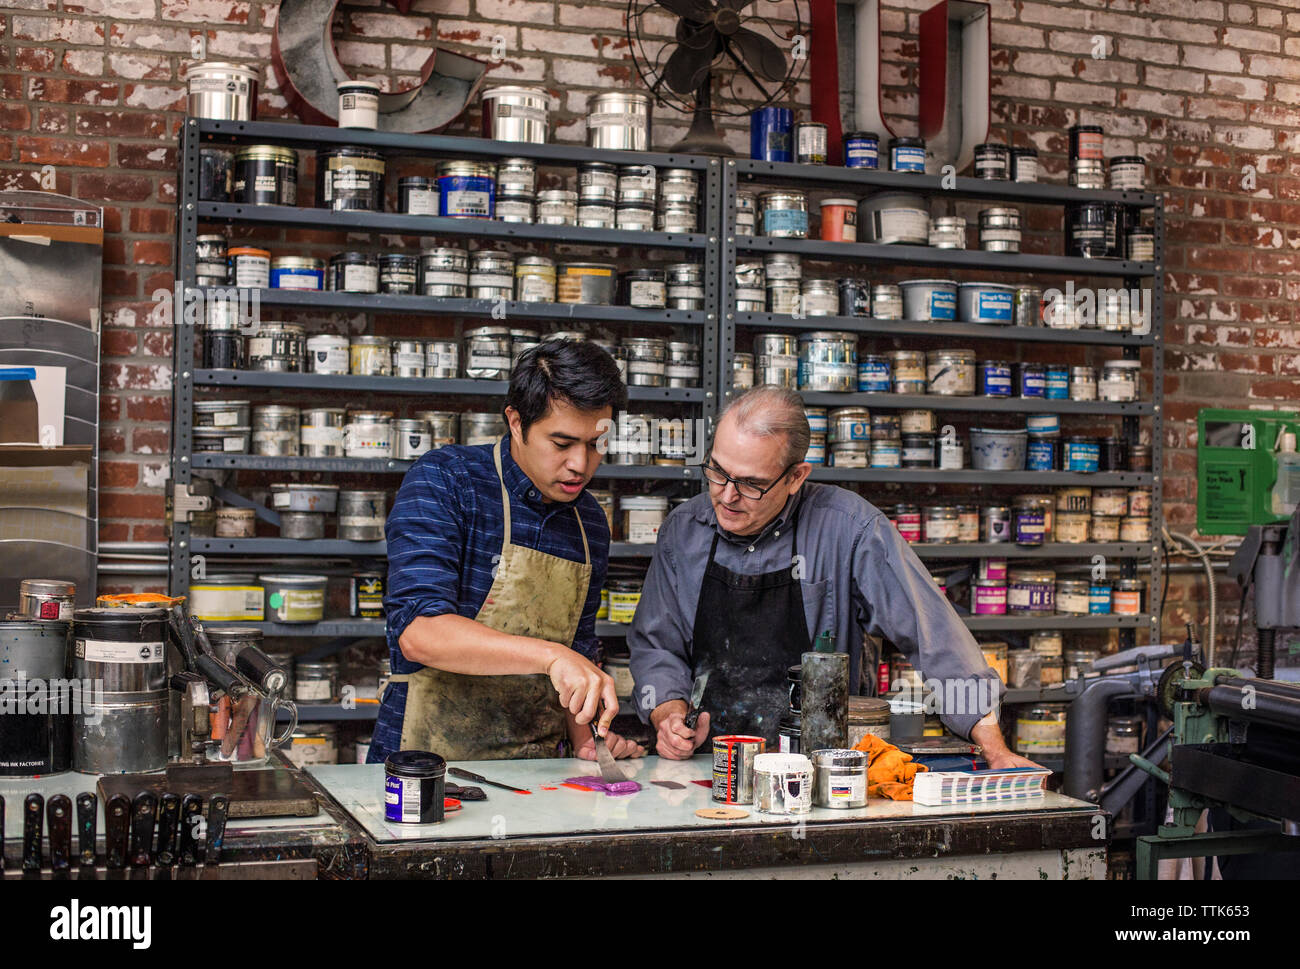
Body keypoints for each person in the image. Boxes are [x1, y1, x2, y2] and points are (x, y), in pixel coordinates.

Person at [627, 385, 1036, 770]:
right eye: (717, 472)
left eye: (751, 484)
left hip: (824, 771)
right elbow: (656, 645)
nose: (727, 495)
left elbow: (935, 635)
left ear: (795, 477)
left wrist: (994, 749)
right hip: (713, 766)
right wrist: (669, 714)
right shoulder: (684, 531)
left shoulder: (850, 529)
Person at [369, 340, 645, 763]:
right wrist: (553, 656)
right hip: (426, 767)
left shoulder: (589, 521)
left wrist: (586, 739)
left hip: (536, 775)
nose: (580, 464)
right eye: (562, 443)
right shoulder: (448, 480)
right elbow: (419, 633)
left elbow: (579, 646)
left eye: (595, 444)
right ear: (516, 423)